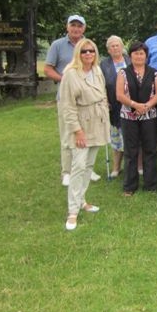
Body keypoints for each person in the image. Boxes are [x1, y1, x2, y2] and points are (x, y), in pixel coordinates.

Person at [59, 38, 109, 230]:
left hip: (97, 121)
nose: (88, 54)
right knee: (78, 166)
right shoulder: (70, 74)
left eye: (91, 51)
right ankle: (72, 211)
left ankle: (82, 200)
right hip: (81, 123)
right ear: (78, 53)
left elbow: (102, 93)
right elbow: (67, 107)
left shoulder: (97, 71)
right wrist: (77, 131)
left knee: (88, 165)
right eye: (84, 51)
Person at [44, 15, 100, 185]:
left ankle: (86, 169)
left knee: (89, 133)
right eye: (73, 25)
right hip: (67, 97)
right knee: (69, 133)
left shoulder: (88, 45)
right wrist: (66, 80)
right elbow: (47, 69)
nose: (76, 29)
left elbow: (95, 67)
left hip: (88, 99)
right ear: (67, 27)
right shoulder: (58, 45)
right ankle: (67, 171)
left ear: (84, 28)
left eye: (79, 26)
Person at [116, 41, 157, 196]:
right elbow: (119, 95)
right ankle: (129, 186)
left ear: (146, 56)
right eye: (136, 53)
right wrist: (135, 105)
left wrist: (146, 107)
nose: (139, 56)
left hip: (149, 115)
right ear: (130, 56)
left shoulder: (154, 73)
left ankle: (151, 184)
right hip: (128, 116)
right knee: (131, 151)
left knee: (150, 150)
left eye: (142, 53)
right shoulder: (123, 72)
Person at [99, 35, 131, 178]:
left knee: (133, 137)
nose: (115, 48)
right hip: (114, 106)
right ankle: (116, 168)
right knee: (117, 138)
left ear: (122, 46)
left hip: (132, 106)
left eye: (117, 45)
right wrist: (105, 100)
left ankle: (136, 166)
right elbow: (100, 85)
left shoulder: (130, 60)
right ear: (108, 49)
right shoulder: (103, 65)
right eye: (112, 46)